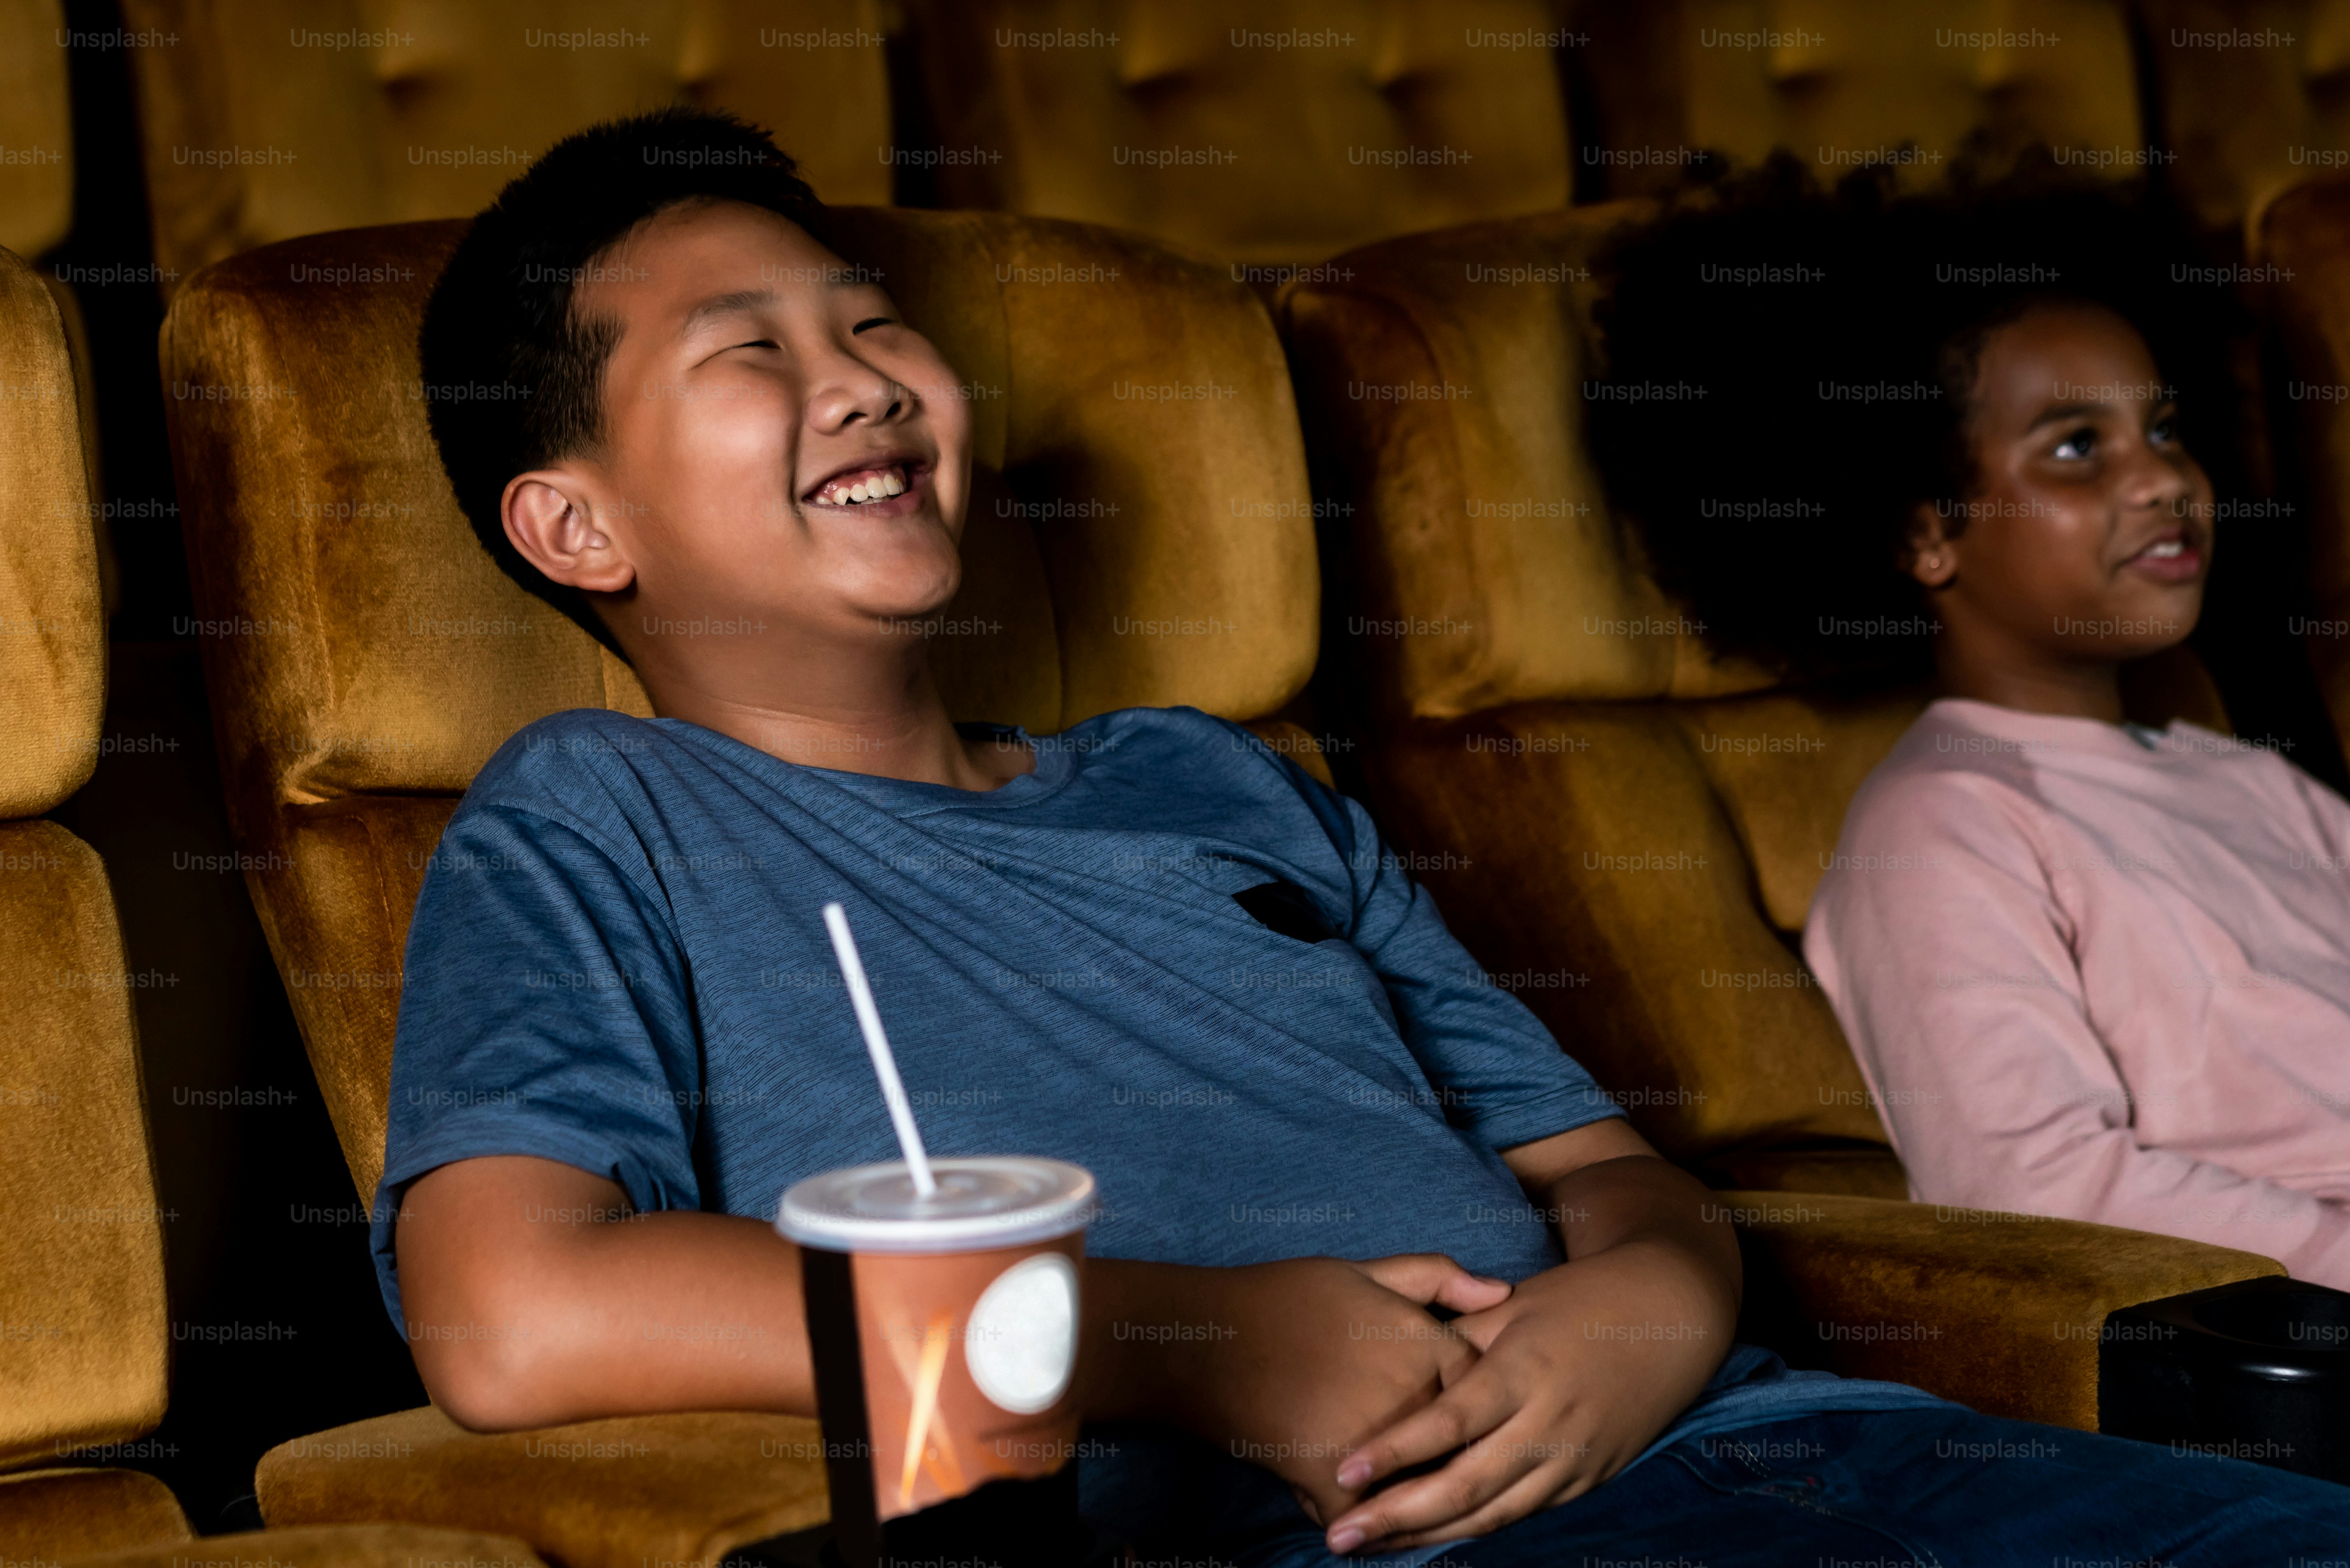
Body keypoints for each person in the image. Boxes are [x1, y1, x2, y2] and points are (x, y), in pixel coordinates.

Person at [383, 114, 2350, 1565]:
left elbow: (1614, 1181)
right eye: (752, 352)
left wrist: (1647, 1312)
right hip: (1353, 1524)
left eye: (871, 320)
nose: (863, 377)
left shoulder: (1219, 781)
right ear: (576, 529)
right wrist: (1200, 1341)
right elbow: (511, 1311)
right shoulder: (593, 813)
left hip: (1783, 1436)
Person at [1593, 161, 2350, 1290]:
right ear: (1921, 535)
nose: (2161, 481)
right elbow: (2039, 1190)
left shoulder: (2241, 774)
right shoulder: (1941, 826)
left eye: (2166, 428)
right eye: (2076, 447)